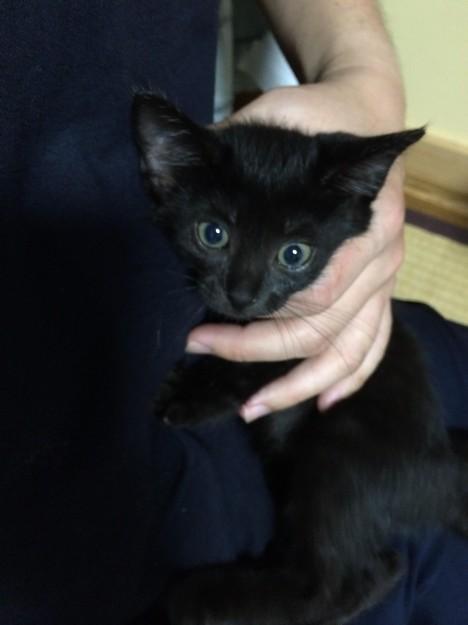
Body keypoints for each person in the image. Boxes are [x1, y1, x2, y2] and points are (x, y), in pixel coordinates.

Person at [1, 1, 467, 624]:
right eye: (214, 237)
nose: (245, 291)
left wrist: (363, 74)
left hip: (363, 441)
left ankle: (322, 589)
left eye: (292, 255)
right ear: (162, 175)